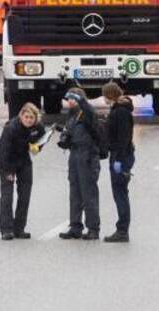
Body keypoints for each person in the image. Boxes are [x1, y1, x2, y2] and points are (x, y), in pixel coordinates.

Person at [58, 88, 106, 241]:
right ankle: (75, 227)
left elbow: (89, 112)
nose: (69, 102)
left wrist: (81, 100)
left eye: (73, 99)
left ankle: (93, 228)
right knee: (75, 193)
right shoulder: (72, 115)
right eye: (68, 99)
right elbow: (70, 132)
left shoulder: (87, 113)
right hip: (75, 154)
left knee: (88, 194)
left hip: (88, 156)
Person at [0, 102, 44, 240]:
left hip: (24, 161)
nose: (29, 120)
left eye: (31, 118)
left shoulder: (37, 127)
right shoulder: (11, 128)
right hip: (8, 161)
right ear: (21, 116)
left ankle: (19, 228)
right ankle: (6, 229)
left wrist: (37, 147)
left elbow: (42, 138)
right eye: (26, 117)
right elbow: (2, 152)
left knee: (24, 196)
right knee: (7, 196)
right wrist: (7, 172)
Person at [102, 82, 135, 242]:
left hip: (121, 156)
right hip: (120, 155)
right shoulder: (119, 110)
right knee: (120, 192)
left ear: (109, 95)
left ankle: (122, 231)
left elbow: (123, 138)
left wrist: (120, 161)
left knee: (120, 193)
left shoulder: (120, 112)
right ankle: (122, 229)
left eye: (104, 96)